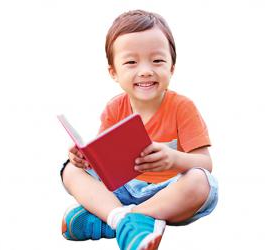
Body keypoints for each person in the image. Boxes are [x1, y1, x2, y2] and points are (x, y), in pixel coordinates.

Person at [60, 9, 218, 250]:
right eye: (131, 62)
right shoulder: (115, 108)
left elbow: (205, 163)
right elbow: (106, 163)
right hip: (123, 191)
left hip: (170, 192)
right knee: (70, 170)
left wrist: (173, 159)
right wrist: (84, 159)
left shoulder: (182, 107)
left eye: (157, 61)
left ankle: (118, 218)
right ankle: (123, 219)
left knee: (202, 182)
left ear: (172, 68)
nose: (145, 70)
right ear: (114, 72)